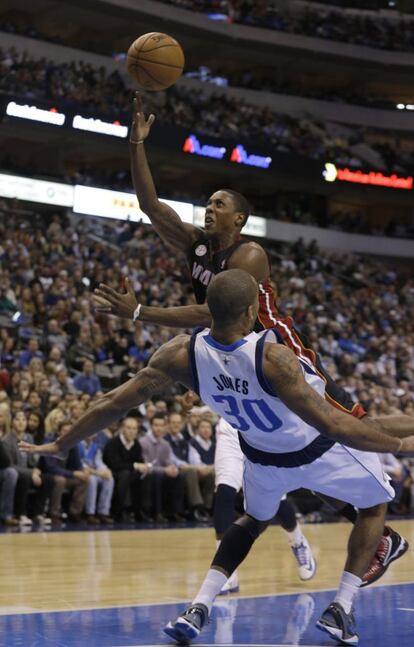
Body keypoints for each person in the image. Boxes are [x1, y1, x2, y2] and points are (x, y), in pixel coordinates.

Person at [93, 94, 409, 589]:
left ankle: (382, 531)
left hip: (281, 354)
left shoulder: (250, 255)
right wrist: (136, 145)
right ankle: (376, 533)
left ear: (238, 219)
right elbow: (150, 205)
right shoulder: (196, 244)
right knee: (297, 455)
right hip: (240, 363)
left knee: (344, 428)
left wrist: (139, 312)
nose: (209, 206)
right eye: (209, 201)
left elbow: (208, 310)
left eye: (220, 203)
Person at [21, 270, 413, 645]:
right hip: (316, 450)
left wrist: (60, 443)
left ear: (209, 309)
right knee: (374, 507)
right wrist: (399, 446)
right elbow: (334, 424)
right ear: (250, 313)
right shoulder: (272, 357)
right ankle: (341, 608)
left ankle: (198, 607)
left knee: (254, 519)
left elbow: (113, 402)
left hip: (261, 457)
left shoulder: (180, 354)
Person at [102, 416, 152, 522]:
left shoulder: (136, 444)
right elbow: (115, 465)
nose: (131, 431)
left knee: (145, 476)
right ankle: (120, 511)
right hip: (112, 473)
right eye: (129, 428)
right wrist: (135, 466)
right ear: (122, 429)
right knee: (125, 475)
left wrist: (145, 467)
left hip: (128, 473)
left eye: (134, 429)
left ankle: (141, 511)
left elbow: (140, 461)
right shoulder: (113, 443)